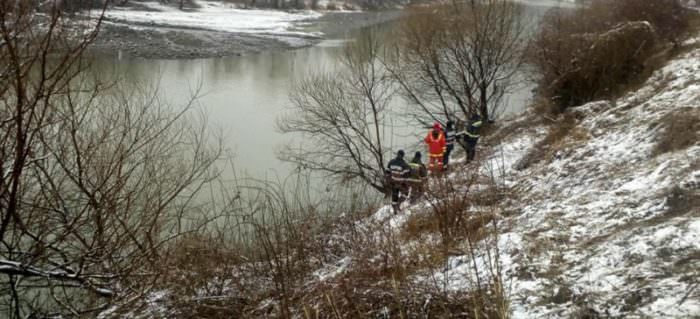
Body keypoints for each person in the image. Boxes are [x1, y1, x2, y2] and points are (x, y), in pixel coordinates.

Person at [386, 150, 411, 214]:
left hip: (393, 182)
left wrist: (389, 180)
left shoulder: (391, 162)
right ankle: (398, 204)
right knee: (405, 193)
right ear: (403, 156)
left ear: (397, 154)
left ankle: (395, 209)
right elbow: (407, 176)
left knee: (395, 195)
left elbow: (387, 172)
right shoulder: (404, 164)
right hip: (401, 183)